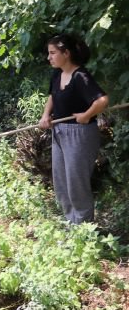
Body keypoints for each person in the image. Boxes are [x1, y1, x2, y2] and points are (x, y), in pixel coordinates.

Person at [37, 33, 109, 223]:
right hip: (59, 131)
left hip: (80, 135)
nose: (49, 57)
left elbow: (102, 100)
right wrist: (45, 116)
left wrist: (86, 115)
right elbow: (52, 96)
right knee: (61, 180)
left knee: (76, 182)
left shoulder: (80, 76)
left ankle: (84, 226)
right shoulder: (57, 74)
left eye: (53, 53)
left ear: (66, 53)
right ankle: (72, 222)